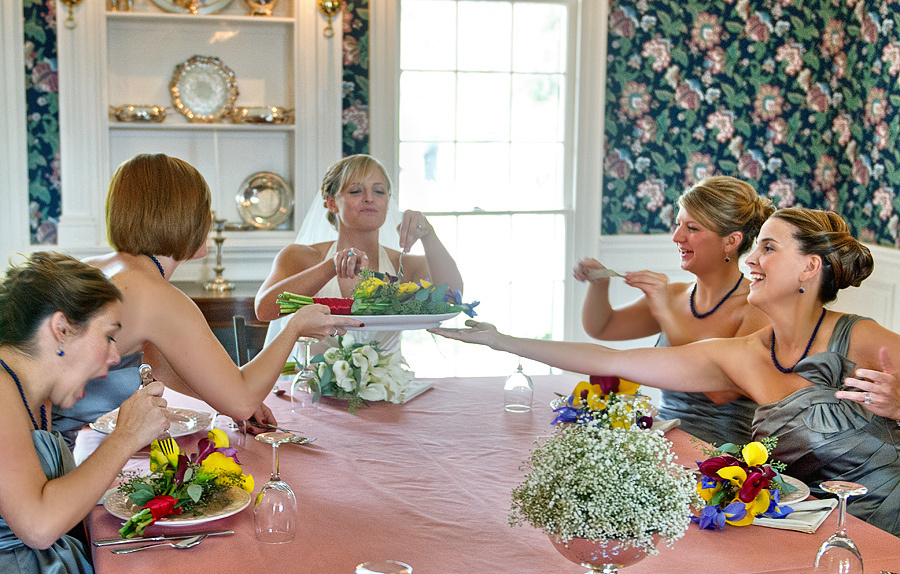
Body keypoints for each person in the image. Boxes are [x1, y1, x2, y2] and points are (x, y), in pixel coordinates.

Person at [433, 208, 900, 537]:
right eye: (755, 247)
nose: (752, 261)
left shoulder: (859, 338)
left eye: (769, 249)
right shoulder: (739, 355)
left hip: (890, 523)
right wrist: (502, 340)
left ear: (810, 267)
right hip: (812, 525)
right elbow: (611, 359)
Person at [52, 153, 359, 449]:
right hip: (43, 460)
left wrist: (223, 400)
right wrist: (294, 327)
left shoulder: (98, 266)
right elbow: (241, 400)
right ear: (182, 216)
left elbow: (158, 360)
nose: (209, 220)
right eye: (204, 210)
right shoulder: (154, 295)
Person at [0, 252, 170, 574]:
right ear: (61, 328)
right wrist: (125, 437)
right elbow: (39, 526)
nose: (114, 355)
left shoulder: (32, 394)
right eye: (109, 336)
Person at [574, 176, 773, 445]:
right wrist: (600, 285)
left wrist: (665, 314)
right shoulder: (674, 294)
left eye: (692, 228)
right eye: (678, 224)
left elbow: (719, 392)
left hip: (721, 459)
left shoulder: (757, 308)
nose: (677, 237)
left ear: (731, 241)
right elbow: (602, 327)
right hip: (662, 441)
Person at [255, 154, 463, 355]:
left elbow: (453, 297)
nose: (370, 198)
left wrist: (429, 236)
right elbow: (264, 311)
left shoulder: (405, 266)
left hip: (387, 388)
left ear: (388, 202)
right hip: (311, 388)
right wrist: (331, 266)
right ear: (331, 203)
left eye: (379, 191)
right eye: (356, 191)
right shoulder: (300, 257)